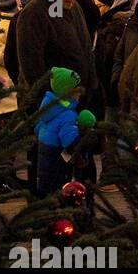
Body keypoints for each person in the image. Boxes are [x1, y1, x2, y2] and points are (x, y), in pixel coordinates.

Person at [8, 0, 98, 106]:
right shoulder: (34, 14)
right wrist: (50, 101)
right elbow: (31, 65)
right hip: (50, 105)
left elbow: (85, 47)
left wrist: (91, 82)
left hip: (75, 98)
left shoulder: (74, 8)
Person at [33, 66, 96, 197]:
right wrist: (86, 139)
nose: (80, 93)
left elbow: (37, 129)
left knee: (49, 197)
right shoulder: (67, 115)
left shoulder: (48, 109)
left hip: (45, 165)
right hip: (59, 169)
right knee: (62, 199)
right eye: (77, 90)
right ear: (68, 92)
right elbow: (70, 142)